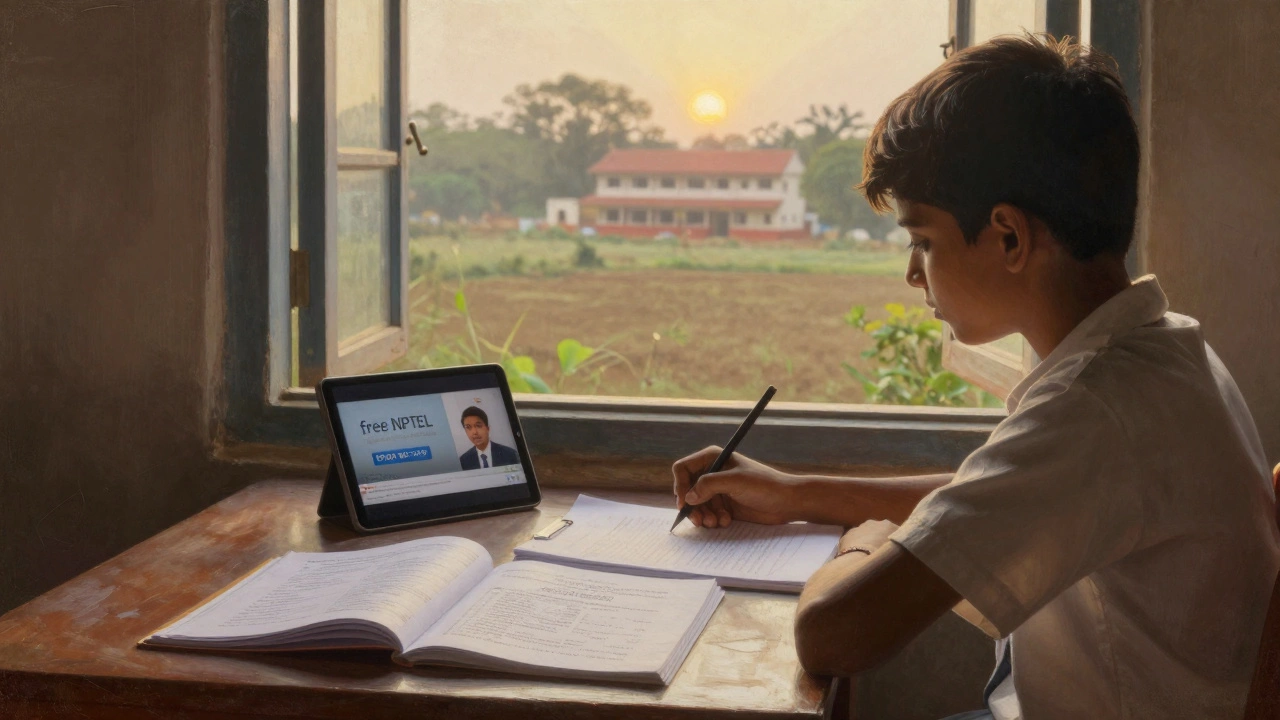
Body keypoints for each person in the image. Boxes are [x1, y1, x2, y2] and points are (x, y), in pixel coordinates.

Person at [672, 34, 1278, 720]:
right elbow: (989, 495)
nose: (911, 272)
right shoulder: (1158, 353)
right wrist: (796, 493)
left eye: (923, 241)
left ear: (1009, 238)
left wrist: (863, 543)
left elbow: (830, 636)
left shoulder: (1094, 413)